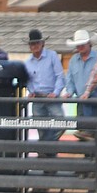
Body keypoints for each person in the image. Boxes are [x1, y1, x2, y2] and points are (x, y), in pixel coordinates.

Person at [23, 29, 66, 161]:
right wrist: (31, 91)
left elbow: (60, 76)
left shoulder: (52, 56)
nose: (34, 46)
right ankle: (48, 158)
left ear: (42, 43)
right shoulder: (27, 62)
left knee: (61, 122)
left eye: (36, 43)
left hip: (51, 96)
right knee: (41, 127)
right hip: (37, 97)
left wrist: (56, 92)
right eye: (32, 44)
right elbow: (28, 80)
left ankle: (45, 149)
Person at [63, 30, 97, 120]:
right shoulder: (73, 60)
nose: (80, 46)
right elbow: (70, 79)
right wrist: (70, 92)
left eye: (83, 44)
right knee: (81, 127)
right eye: (78, 44)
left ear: (89, 43)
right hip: (80, 100)